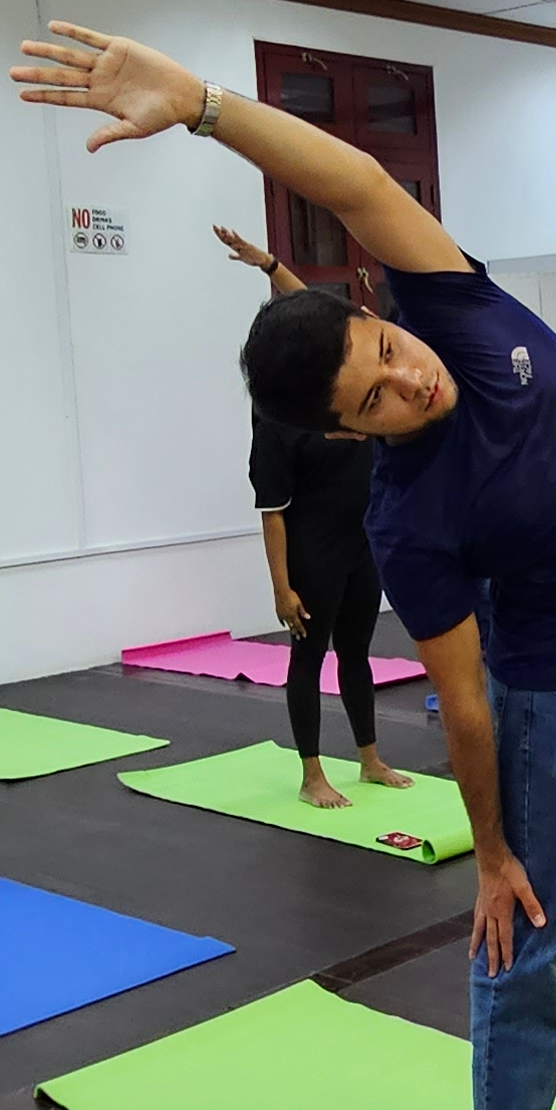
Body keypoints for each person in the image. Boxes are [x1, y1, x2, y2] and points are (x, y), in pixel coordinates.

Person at [9, 23, 556, 1110]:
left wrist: (205, 106)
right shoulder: (413, 515)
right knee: (535, 927)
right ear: (344, 434)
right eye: (371, 396)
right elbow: (467, 703)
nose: (408, 382)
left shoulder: (454, 310)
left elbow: (358, 185)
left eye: (386, 350)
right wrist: (488, 851)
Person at [215, 222, 416, 814]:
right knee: (309, 656)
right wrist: (281, 586)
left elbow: (319, 319)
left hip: (362, 543)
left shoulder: (329, 388)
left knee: (357, 651)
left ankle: (370, 758)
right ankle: (311, 773)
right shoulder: (276, 420)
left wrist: (271, 263)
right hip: (312, 551)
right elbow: (272, 512)